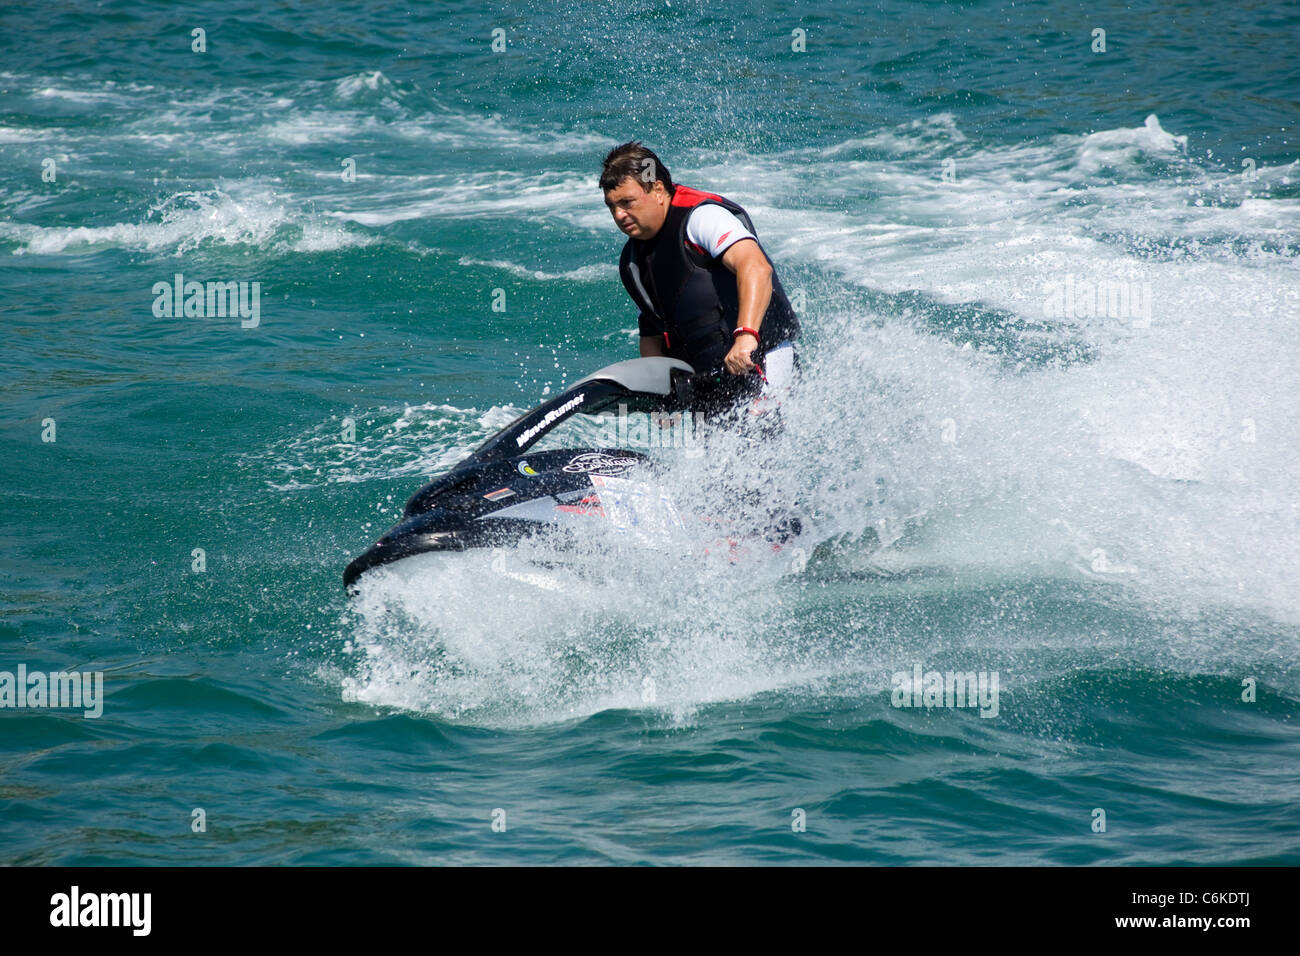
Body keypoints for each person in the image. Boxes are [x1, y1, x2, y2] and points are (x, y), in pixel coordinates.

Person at [600, 141, 800, 417]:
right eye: (612, 206)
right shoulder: (634, 261)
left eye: (627, 203)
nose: (618, 215)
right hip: (711, 382)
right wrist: (664, 400)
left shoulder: (702, 218)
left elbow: (755, 267)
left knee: (760, 447)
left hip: (762, 361)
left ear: (657, 190)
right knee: (717, 459)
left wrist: (745, 337)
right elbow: (651, 337)